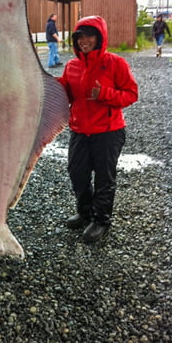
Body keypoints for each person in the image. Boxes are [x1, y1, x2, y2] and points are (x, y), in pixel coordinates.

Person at [57, 15, 138, 244]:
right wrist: (55, 88)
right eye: (80, 36)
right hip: (80, 130)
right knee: (77, 173)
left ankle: (101, 220)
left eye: (90, 35)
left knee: (104, 178)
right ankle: (85, 213)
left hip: (108, 131)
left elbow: (132, 94)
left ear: (100, 37)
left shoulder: (116, 63)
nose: (84, 41)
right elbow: (67, 94)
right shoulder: (72, 65)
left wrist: (104, 95)